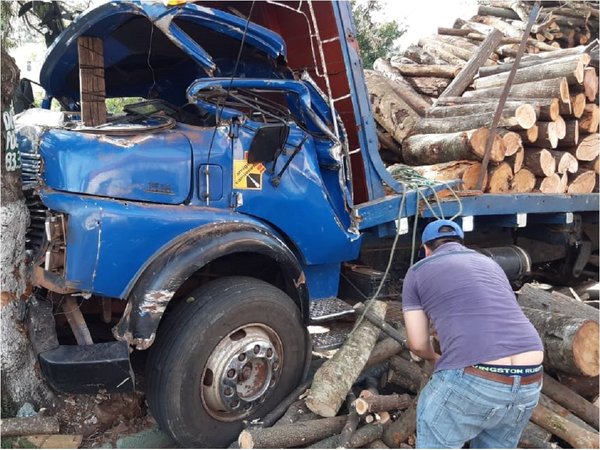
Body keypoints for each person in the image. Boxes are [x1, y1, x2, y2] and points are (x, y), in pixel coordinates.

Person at [402, 219, 544, 449]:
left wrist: (432, 357)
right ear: (461, 243)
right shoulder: (488, 263)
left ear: (426, 249)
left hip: (479, 375)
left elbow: (417, 343)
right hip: (530, 376)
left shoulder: (418, 271)